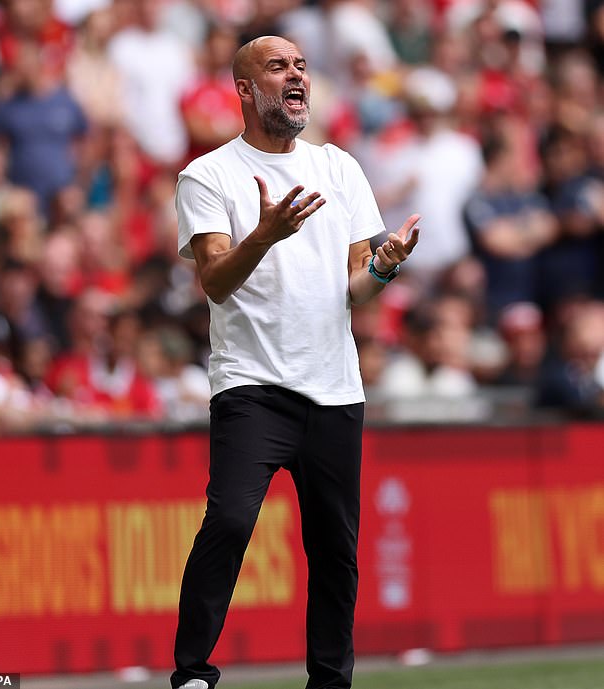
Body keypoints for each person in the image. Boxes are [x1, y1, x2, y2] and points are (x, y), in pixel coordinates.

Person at [169, 35, 419, 689]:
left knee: (335, 549)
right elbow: (217, 280)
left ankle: (330, 680)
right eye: (278, 67)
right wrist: (265, 234)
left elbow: (354, 285)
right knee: (229, 518)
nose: (296, 76)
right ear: (246, 90)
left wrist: (385, 270)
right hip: (253, 385)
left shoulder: (340, 166)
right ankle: (192, 671)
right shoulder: (208, 174)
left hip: (334, 386)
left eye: (302, 66)